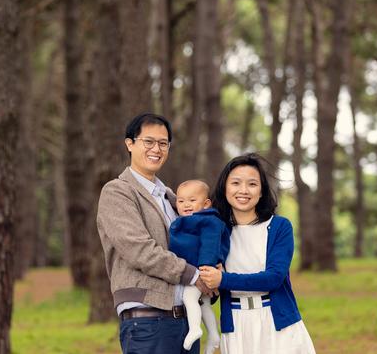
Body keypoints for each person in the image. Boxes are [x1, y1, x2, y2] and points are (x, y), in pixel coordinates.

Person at [96, 113, 213, 354]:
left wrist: (212, 270)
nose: (156, 149)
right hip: (147, 322)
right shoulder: (118, 192)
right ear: (130, 143)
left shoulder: (172, 198)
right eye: (148, 141)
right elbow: (139, 250)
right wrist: (193, 275)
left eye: (163, 143)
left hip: (186, 321)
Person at [199, 153, 316, 354]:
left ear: (261, 191)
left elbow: (274, 278)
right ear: (225, 188)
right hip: (236, 325)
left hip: (278, 324)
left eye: (252, 184)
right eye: (235, 183)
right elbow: (210, 281)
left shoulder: (279, 227)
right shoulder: (216, 231)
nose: (243, 190)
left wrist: (222, 279)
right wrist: (209, 282)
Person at [168, 180, 230, 354]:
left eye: (192, 200)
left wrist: (205, 271)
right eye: (181, 201)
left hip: (204, 270)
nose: (186, 204)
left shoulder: (209, 221)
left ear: (206, 203)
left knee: (189, 298)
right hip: (197, 269)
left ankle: (195, 328)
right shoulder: (188, 220)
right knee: (203, 304)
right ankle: (213, 335)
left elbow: (210, 245)